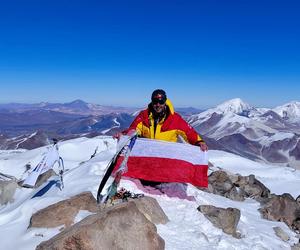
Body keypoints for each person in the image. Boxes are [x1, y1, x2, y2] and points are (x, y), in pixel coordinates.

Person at [122, 89, 208, 151]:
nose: (158, 104)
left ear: (165, 102)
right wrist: (123, 135)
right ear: (152, 102)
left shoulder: (175, 118)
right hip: (147, 155)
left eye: (161, 101)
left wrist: (199, 142)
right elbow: (134, 129)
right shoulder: (144, 115)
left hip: (166, 158)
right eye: (155, 101)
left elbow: (189, 132)